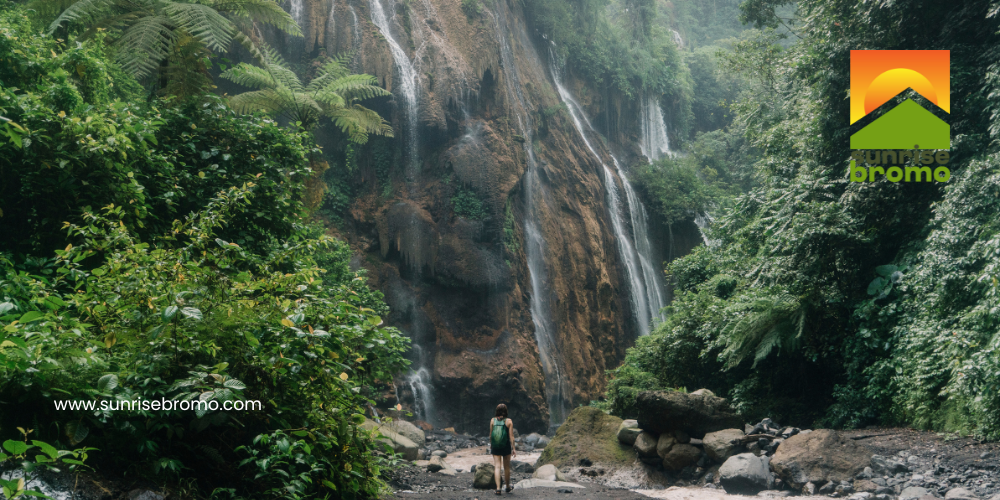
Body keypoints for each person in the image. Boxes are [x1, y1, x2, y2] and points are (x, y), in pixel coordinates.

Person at [490, 403, 516, 495]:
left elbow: (491, 434)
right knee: (506, 467)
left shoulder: (492, 420)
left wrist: (491, 445)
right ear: (506, 411)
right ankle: (508, 487)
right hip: (505, 446)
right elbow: (511, 436)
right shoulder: (509, 421)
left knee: (497, 466)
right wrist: (513, 448)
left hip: (495, 446)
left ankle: (498, 489)